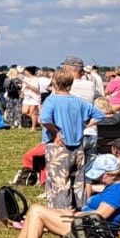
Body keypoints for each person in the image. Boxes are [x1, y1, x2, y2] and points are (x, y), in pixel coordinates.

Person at [0, 157, 120, 238]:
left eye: (100, 176)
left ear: (112, 174)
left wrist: (75, 214)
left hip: (91, 230)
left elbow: (101, 214)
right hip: (86, 224)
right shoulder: (114, 186)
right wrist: (71, 212)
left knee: (37, 211)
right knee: (35, 209)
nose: (98, 179)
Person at [39, 72, 102, 211]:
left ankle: (60, 213)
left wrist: (55, 132)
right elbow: (99, 115)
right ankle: (79, 209)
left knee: (59, 182)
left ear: (54, 83)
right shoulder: (78, 101)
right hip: (78, 146)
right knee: (78, 181)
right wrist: (84, 125)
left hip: (59, 146)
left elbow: (45, 120)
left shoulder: (51, 101)